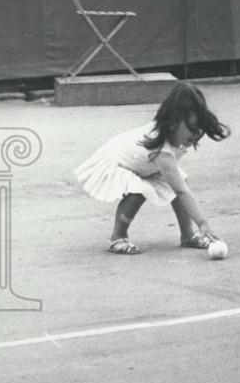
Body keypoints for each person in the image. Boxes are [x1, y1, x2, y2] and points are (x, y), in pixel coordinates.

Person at [74, 82, 230, 254]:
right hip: (116, 162)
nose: (197, 133)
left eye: (200, 128)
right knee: (139, 190)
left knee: (180, 181)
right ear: (173, 123)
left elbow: (179, 187)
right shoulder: (161, 151)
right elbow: (182, 192)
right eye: (192, 128)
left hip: (144, 165)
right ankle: (118, 237)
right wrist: (204, 224)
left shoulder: (173, 138)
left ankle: (188, 235)